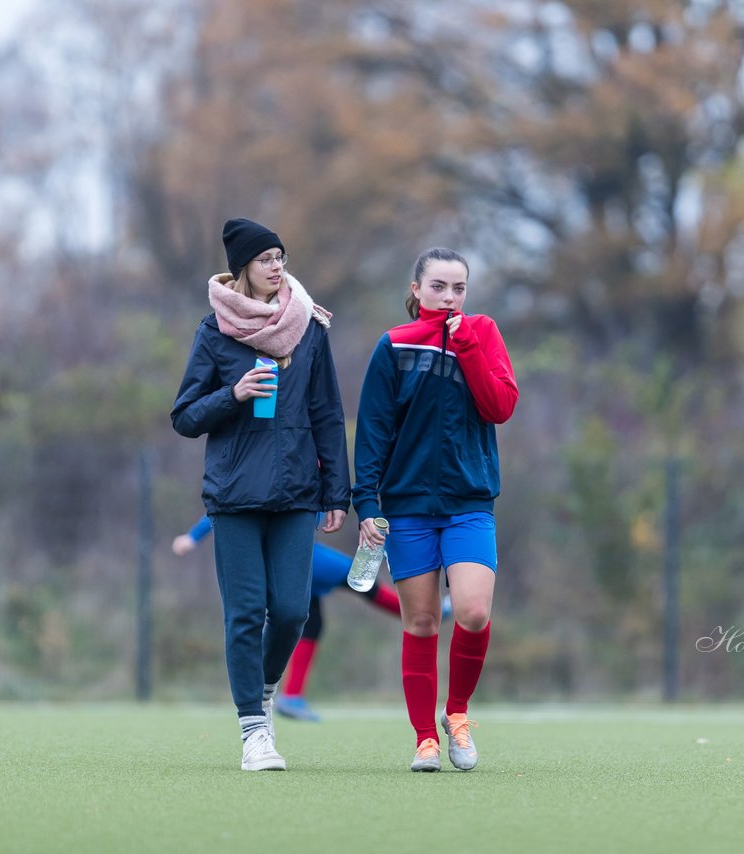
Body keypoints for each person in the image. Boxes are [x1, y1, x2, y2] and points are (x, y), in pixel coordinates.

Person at [171, 217, 350, 771]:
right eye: (268, 259)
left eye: (282, 257)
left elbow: (327, 413)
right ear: (243, 267)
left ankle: (265, 688)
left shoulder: (309, 327)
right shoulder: (214, 332)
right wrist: (234, 393)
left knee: (293, 612)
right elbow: (184, 416)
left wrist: (335, 495)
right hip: (234, 498)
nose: (278, 267)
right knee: (246, 614)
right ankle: (254, 730)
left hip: (298, 493)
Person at [352, 247, 519, 772]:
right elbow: (374, 430)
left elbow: (500, 407)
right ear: (417, 289)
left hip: (470, 502)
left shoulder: (483, 333)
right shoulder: (393, 346)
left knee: (472, 611)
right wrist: (366, 503)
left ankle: (457, 714)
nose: (450, 297)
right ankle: (425, 738)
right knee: (421, 622)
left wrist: (466, 344)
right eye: (440, 287)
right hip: (407, 507)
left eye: (459, 288)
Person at [172, 514, 445, 722]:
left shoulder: (313, 457)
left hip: (300, 552)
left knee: (311, 624)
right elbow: (223, 508)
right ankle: (428, 613)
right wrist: (192, 537)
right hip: (295, 558)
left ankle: (291, 696)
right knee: (361, 579)